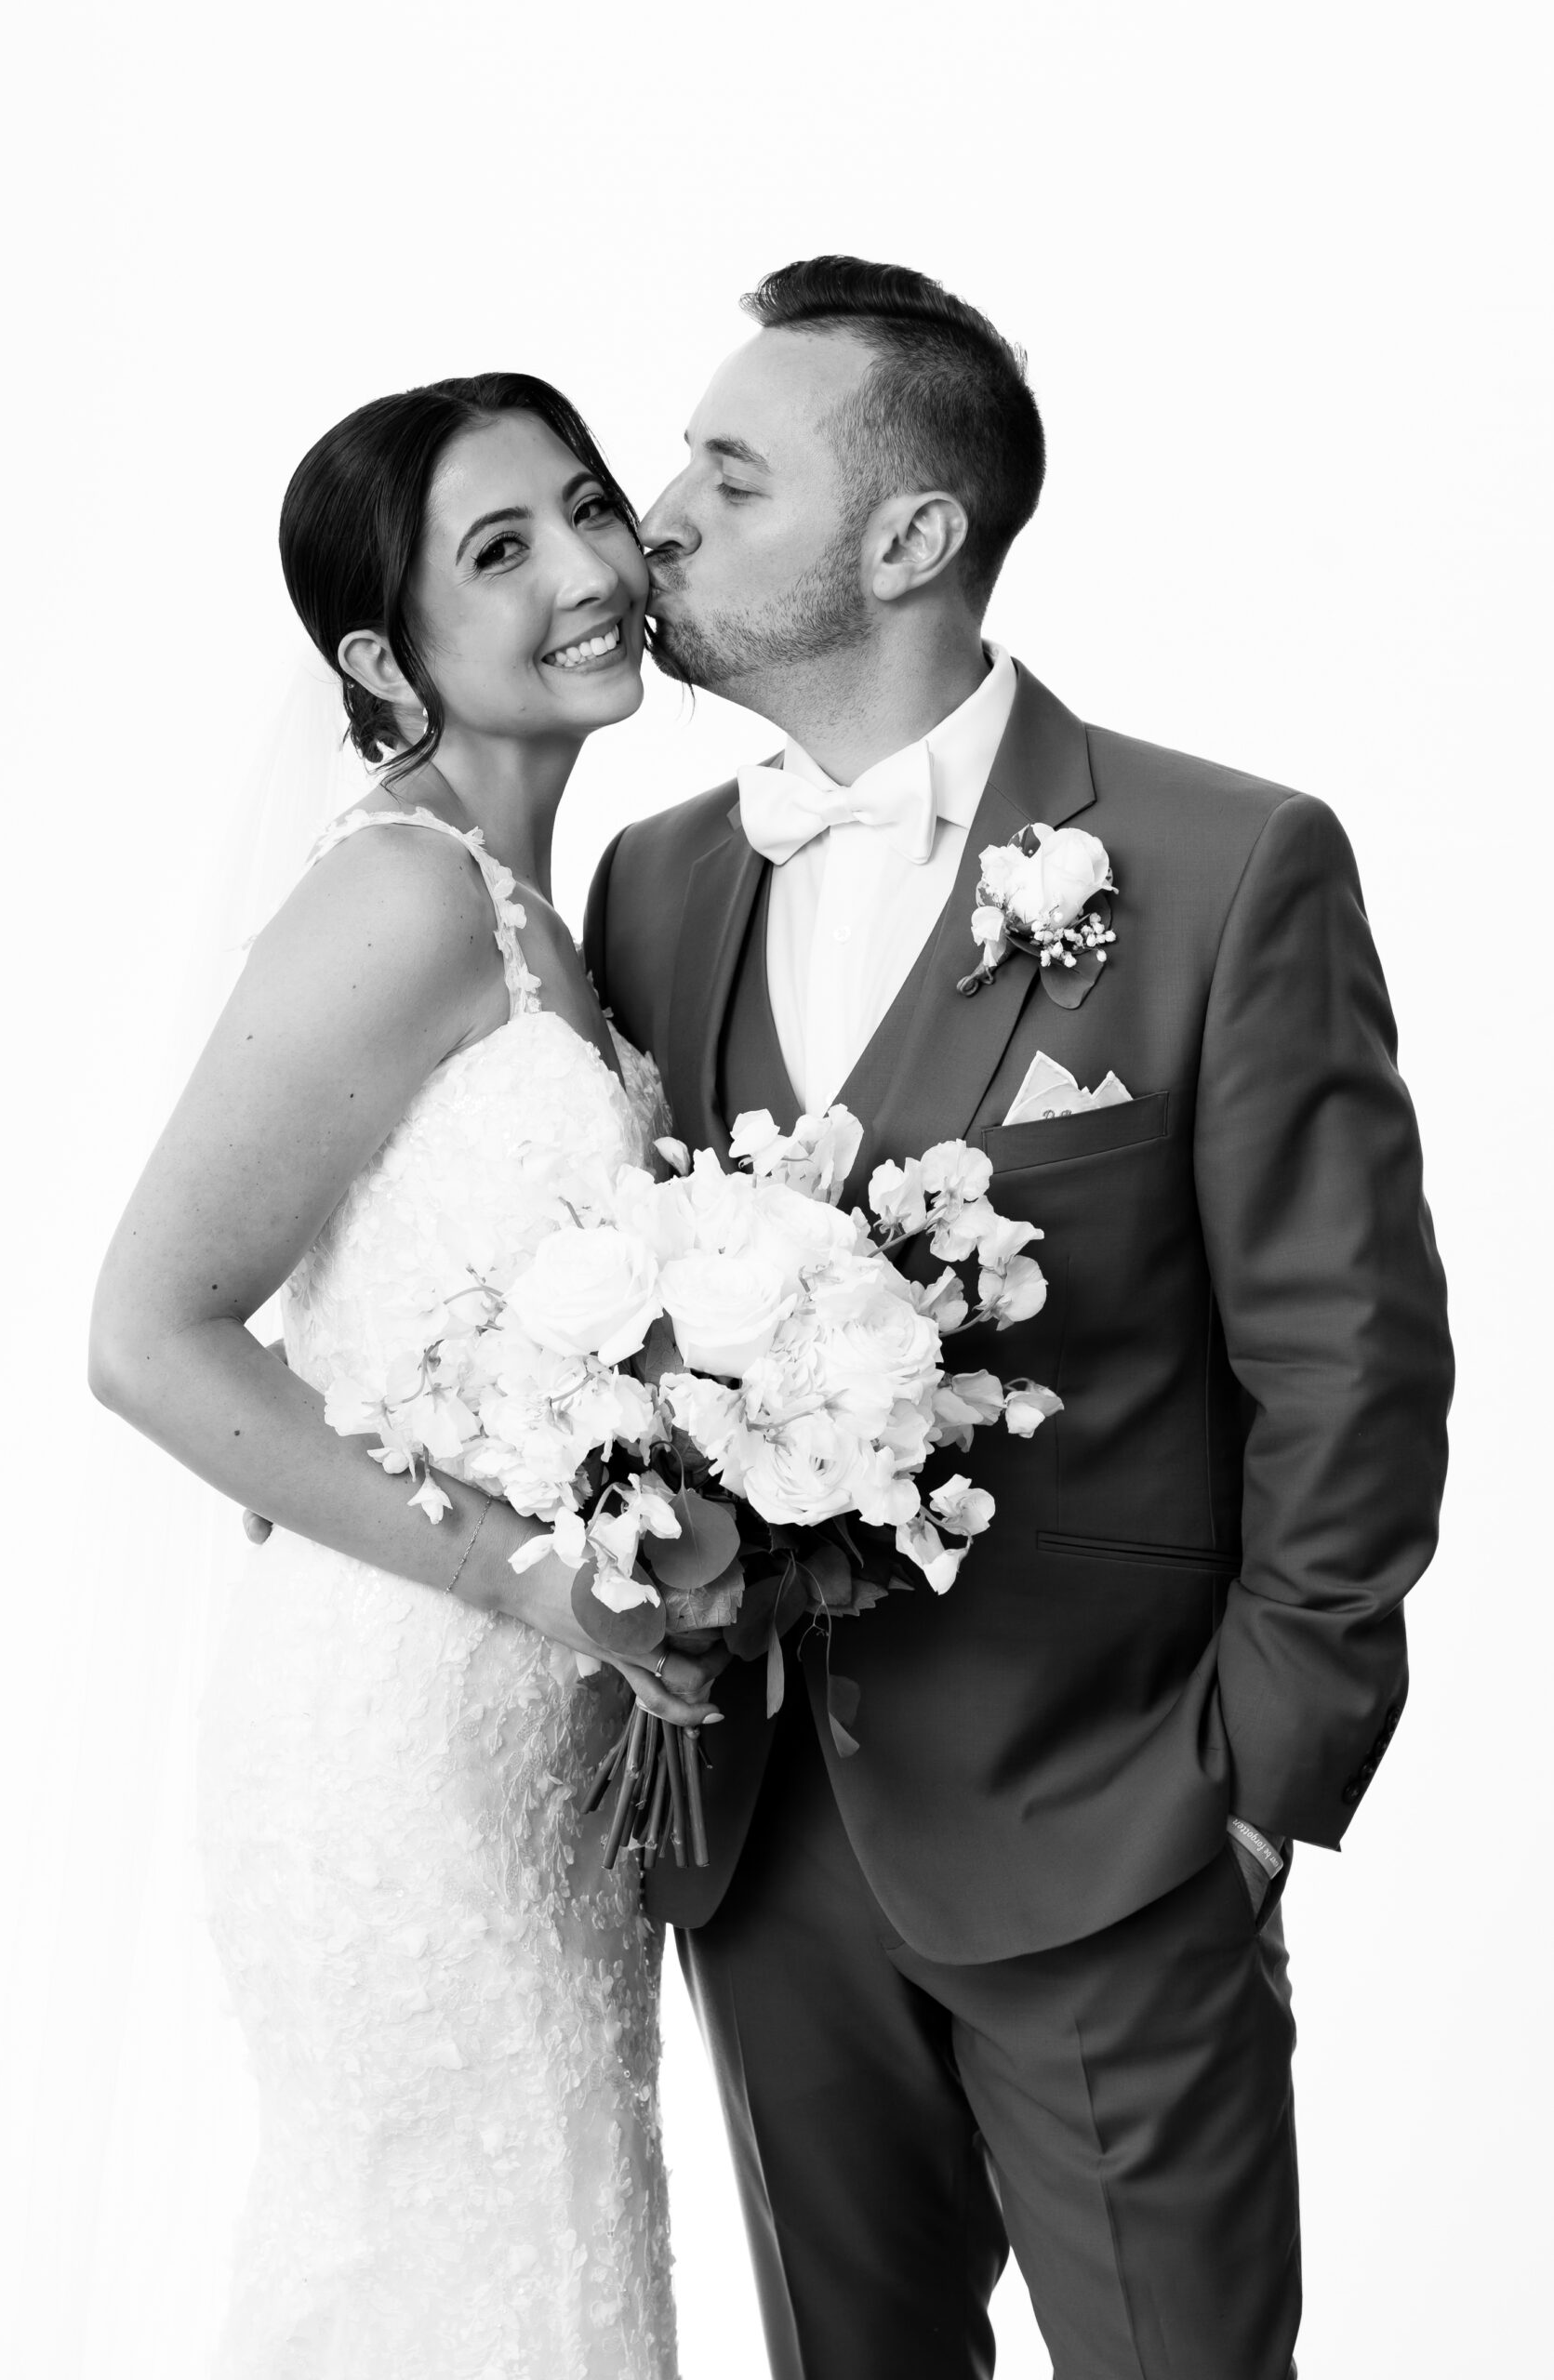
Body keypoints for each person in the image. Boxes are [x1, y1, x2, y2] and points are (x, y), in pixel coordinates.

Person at [584, 255, 1454, 2380]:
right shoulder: (654, 881)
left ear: (906, 537)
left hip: (1114, 1832)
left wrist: (1250, 1791)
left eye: (727, 467)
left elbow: (1347, 1367)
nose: (657, 511)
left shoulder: (1219, 861)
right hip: (767, 1844)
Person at [88, 372, 721, 2379]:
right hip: (389, 1732)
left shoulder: (561, 917)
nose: (588, 571)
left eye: (589, 510)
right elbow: (146, 1332)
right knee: (435, 2270)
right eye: (499, 549)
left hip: (533, 1746)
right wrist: (521, 1574)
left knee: (547, 2269)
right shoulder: (401, 895)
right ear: (380, 655)